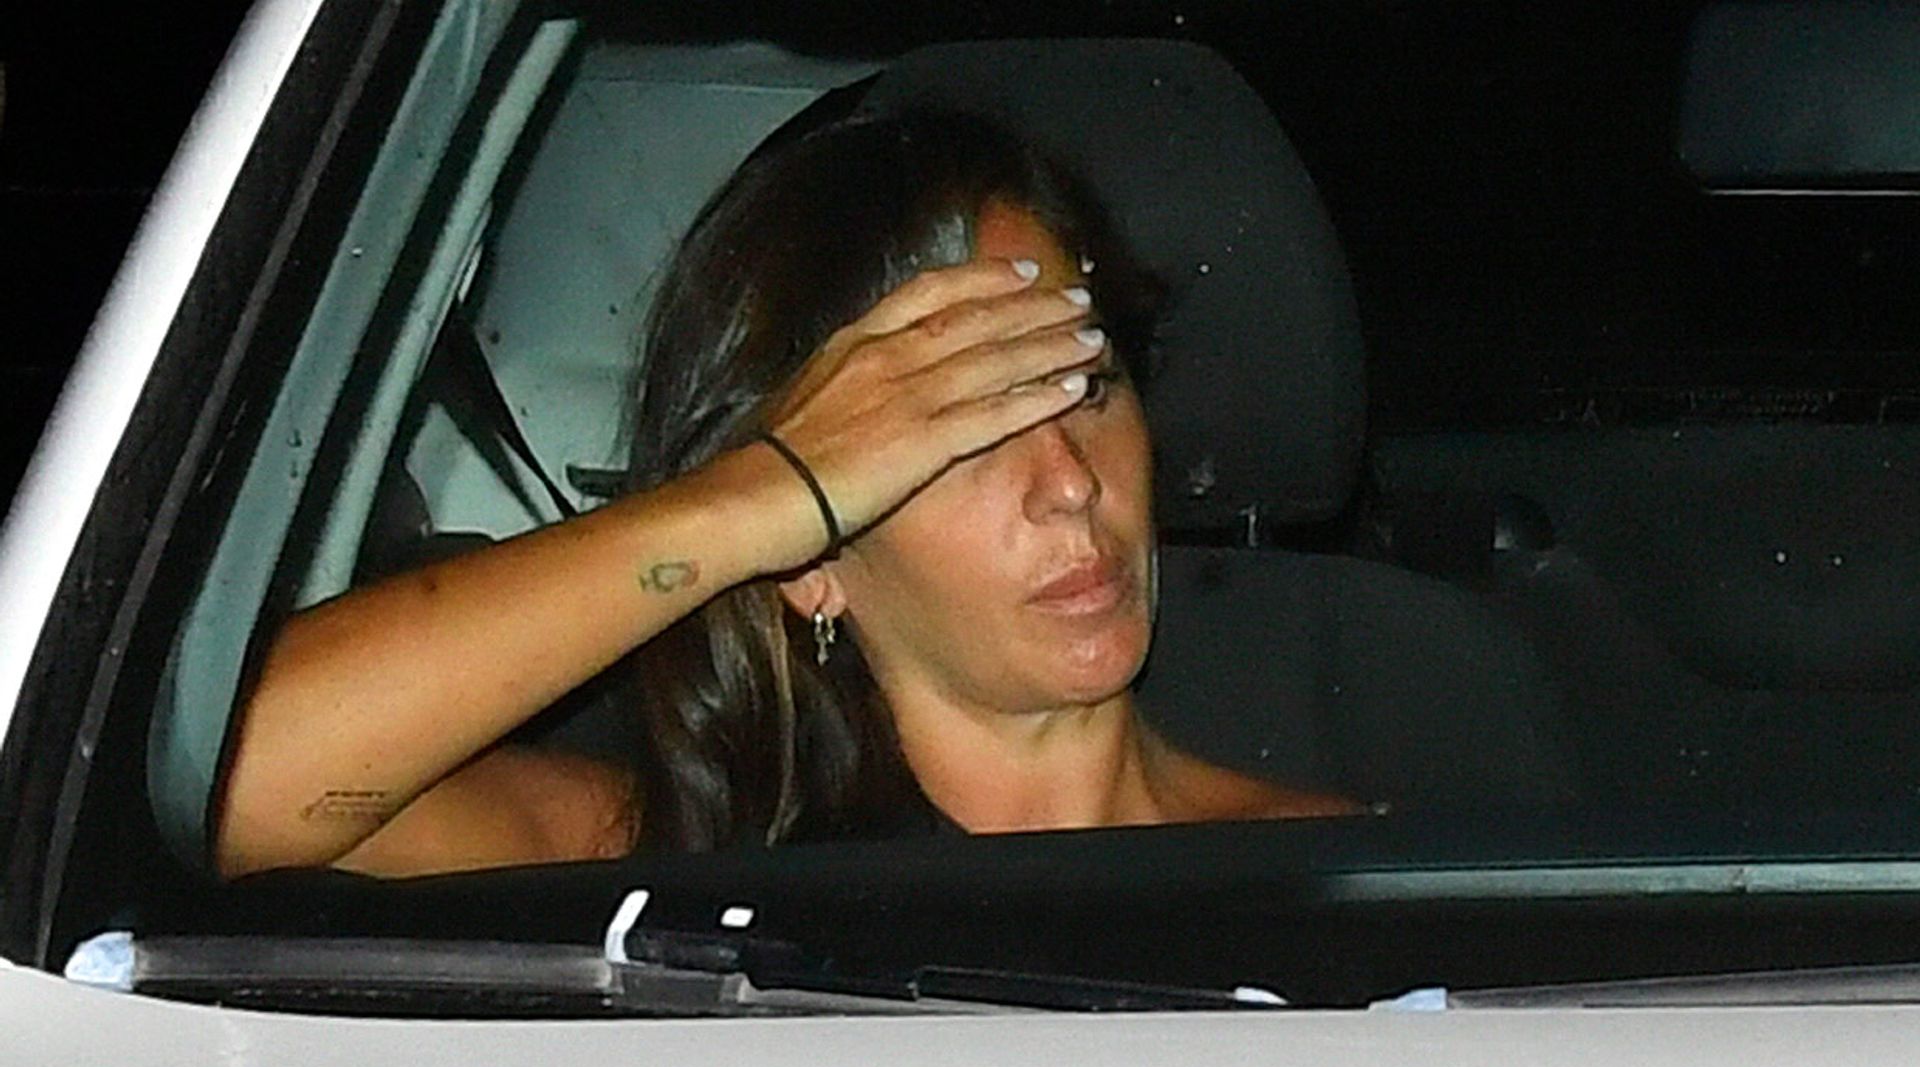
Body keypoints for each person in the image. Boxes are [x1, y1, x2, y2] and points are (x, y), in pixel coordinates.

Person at [213, 109, 1356, 880]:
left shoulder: (1373, 877)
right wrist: (745, 504)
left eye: (1084, 387)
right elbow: (222, 786)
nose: (1068, 483)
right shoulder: (662, 867)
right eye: (958, 436)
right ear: (810, 559)